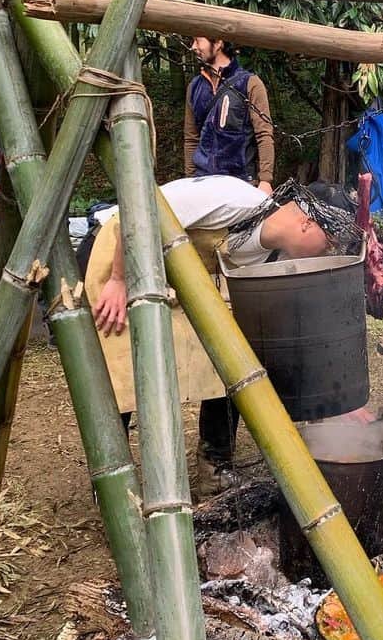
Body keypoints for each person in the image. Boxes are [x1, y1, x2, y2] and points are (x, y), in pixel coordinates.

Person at [88, 176, 357, 498]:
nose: (328, 253)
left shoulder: (282, 258)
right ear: (306, 224)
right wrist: (119, 278)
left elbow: (296, 330)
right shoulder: (234, 199)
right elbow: (140, 208)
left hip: (187, 285)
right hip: (123, 254)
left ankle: (215, 469)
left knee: (234, 359)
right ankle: (113, 484)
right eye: (329, 244)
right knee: (121, 372)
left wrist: (335, 401)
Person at [183, 37, 275, 193]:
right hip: (202, 182)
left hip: (241, 183)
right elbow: (191, 138)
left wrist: (265, 180)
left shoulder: (250, 83)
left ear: (218, 43)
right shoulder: (194, 87)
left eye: (198, 40)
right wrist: (190, 179)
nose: (193, 47)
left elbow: (264, 134)